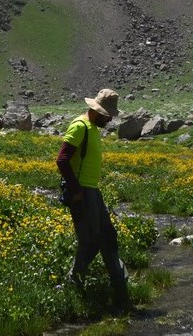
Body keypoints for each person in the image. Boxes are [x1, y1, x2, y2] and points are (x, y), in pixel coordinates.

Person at [56, 88, 130, 314]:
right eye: (108, 116)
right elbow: (62, 160)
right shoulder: (80, 127)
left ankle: (83, 282)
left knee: (101, 239)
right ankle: (119, 294)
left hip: (91, 191)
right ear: (97, 112)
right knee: (98, 240)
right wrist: (76, 190)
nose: (109, 120)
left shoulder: (93, 128)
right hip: (83, 193)